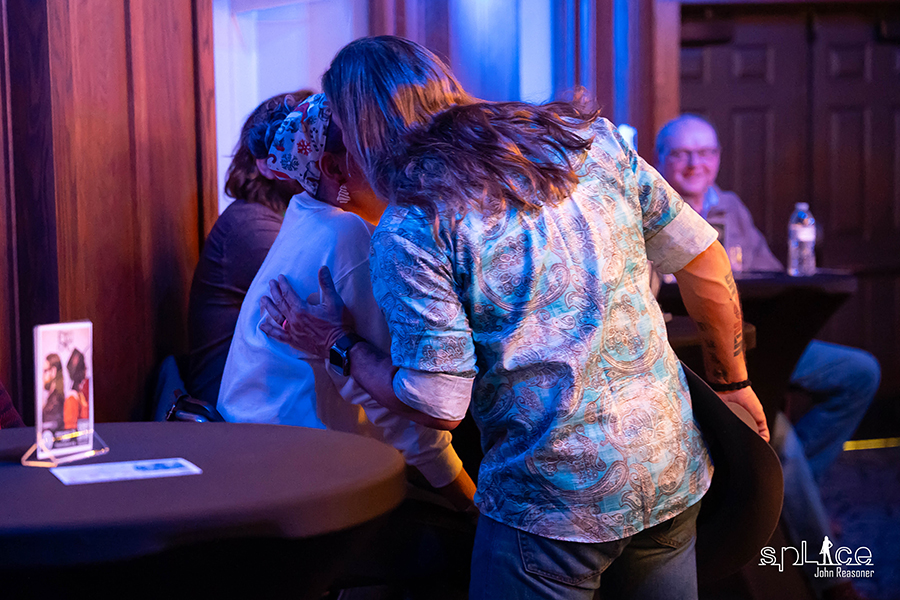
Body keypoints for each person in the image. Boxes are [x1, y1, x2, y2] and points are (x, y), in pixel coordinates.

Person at [261, 36, 769, 600]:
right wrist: (734, 384)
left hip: (550, 504)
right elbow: (702, 258)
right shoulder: (585, 140)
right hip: (667, 469)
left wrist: (338, 344)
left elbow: (437, 402)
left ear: (360, 129)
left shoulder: (414, 227)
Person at [218, 93, 477, 595]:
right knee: (470, 547)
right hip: (297, 486)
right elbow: (401, 412)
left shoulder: (310, 217)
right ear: (336, 167)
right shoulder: (347, 237)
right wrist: (471, 503)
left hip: (254, 462)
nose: (396, 156)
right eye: (374, 146)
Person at [656, 114, 878, 600]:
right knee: (776, 430)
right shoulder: (650, 209)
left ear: (718, 159)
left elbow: (768, 275)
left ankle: (790, 505)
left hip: (763, 342)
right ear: (662, 158)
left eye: (706, 153)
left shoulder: (728, 206)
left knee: (859, 373)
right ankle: (829, 574)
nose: (696, 164)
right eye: (682, 153)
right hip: (696, 357)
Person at [185, 90, 312, 406]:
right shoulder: (251, 226)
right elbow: (322, 302)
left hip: (261, 400)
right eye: (304, 148)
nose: (317, 160)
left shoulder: (279, 218)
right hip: (230, 416)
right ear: (267, 165)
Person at [41, 353, 66, 432]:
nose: (42, 375)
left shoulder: (56, 401)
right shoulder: (52, 398)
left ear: (53, 371)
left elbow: (49, 426)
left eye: (45, 371)